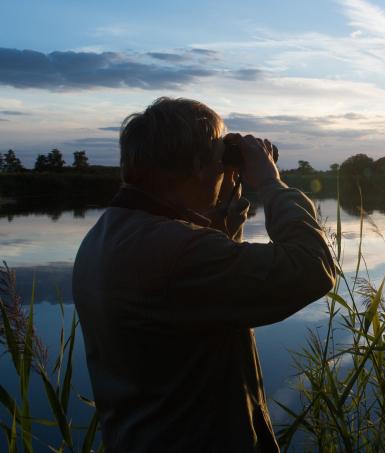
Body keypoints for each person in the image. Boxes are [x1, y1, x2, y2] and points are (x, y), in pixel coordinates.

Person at [72, 97, 336, 452]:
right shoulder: (179, 252)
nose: (224, 165)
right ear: (197, 165)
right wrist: (271, 184)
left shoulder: (107, 235)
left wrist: (225, 209)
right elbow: (311, 266)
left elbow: (205, 292)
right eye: (220, 153)